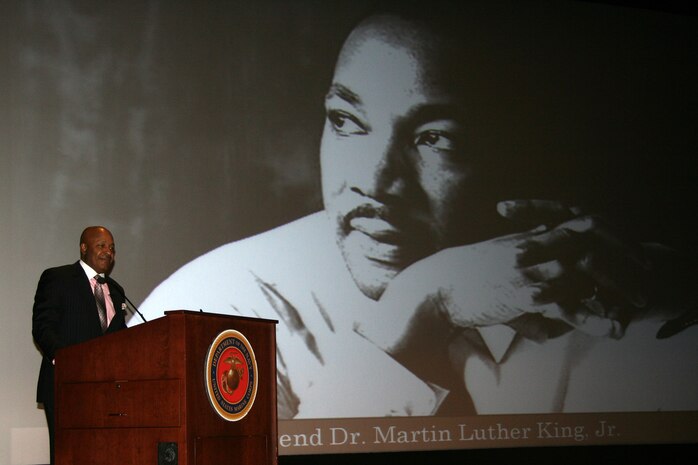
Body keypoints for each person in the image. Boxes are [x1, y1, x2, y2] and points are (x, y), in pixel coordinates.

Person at [138, 10, 698, 419]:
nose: (376, 180)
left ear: (518, 157)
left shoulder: (624, 308)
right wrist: (419, 313)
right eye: (346, 121)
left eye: (434, 138)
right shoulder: (215, 309)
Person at [32, 226, 128, 464]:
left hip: (106, 391)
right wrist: (69, 363)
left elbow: (121, 340)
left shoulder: (116, 290)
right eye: (101, 246)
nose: (109, 252)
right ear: (83, 248)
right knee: (70, 456)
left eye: (112, 248)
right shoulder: (58, 278)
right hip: (67, 386)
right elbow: (43, 328)